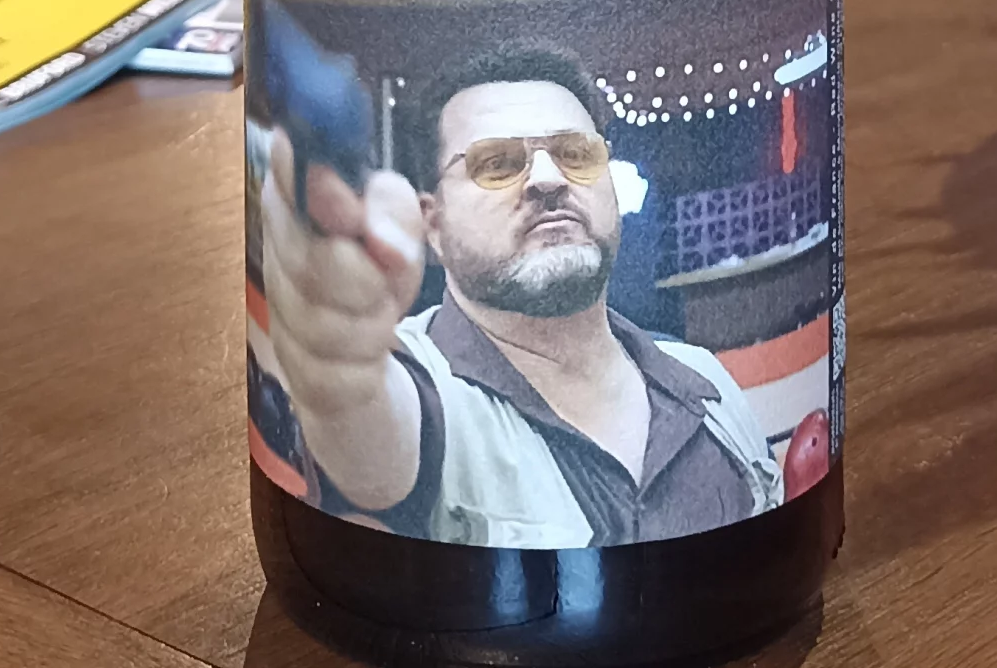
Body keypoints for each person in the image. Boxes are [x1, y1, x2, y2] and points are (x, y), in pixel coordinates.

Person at [256, 42, 782, 547]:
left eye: (576, 153)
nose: (549, 179)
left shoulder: (708, 382)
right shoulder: (422, 388)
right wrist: (338, 363)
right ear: (432, 224)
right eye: (498, 164)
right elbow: (366, 423)